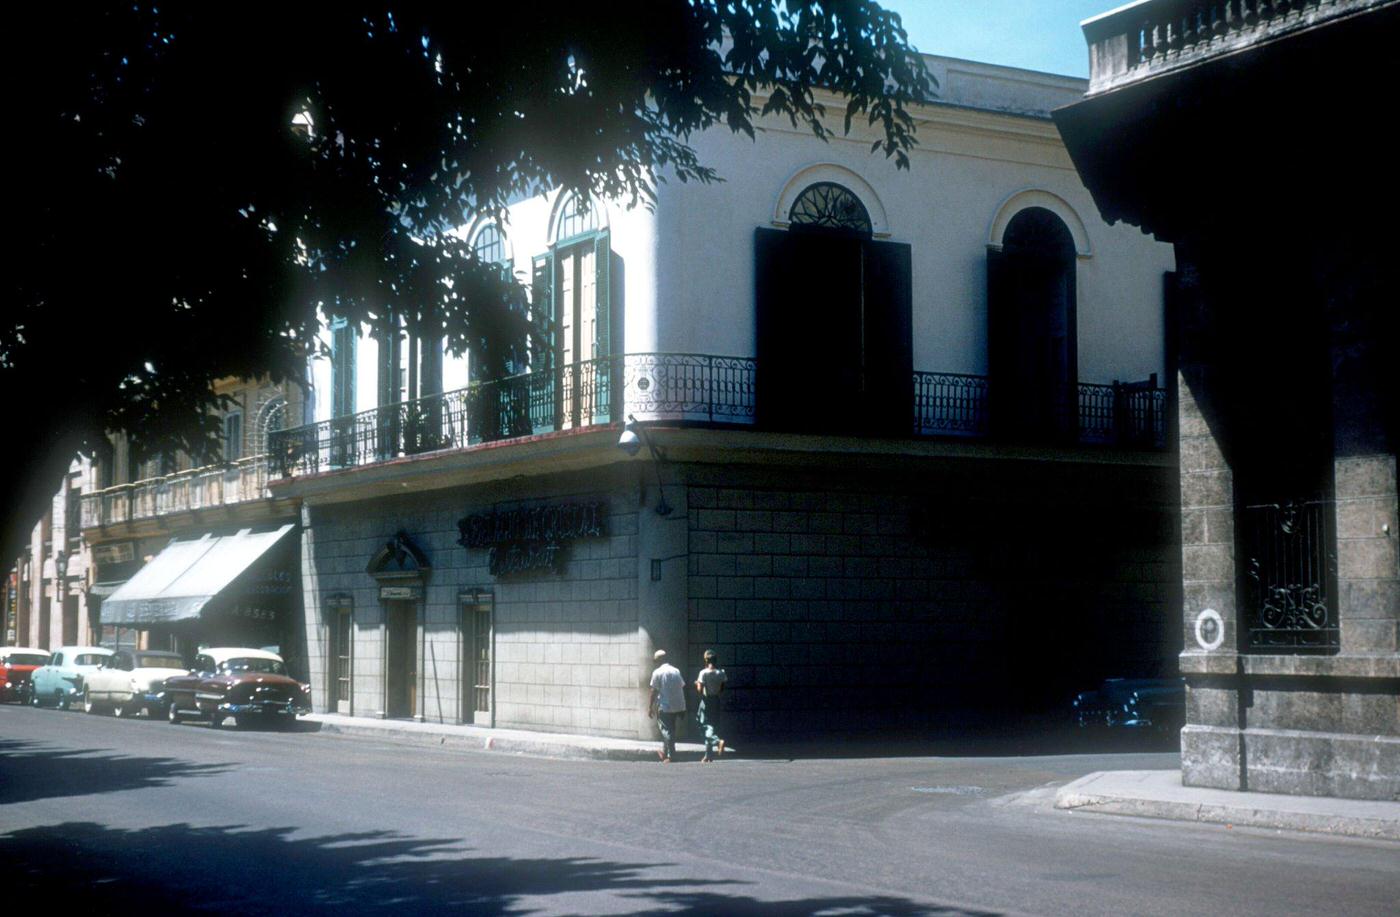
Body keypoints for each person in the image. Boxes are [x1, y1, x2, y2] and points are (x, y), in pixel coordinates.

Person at [648, 649, 685, 763]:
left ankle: (671, 755)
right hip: (677, 706)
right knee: (671, 729)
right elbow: (681, 686)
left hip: (665, 706)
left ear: (658, 660)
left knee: (665, 730)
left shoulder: (657, 672)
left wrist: (650, 707)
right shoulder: (676, 671)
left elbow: (653, 691)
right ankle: (665, 752)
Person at [694, 649, 727, 762]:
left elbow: (700, 690)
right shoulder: (721, 672)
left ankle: (717, 742)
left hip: (706, 701)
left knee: (704, 725)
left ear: (706, 660)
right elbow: (722, 688)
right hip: (716, 700)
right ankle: (708, 755)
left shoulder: (703, 673)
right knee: (711, 726)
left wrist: (697, 684)